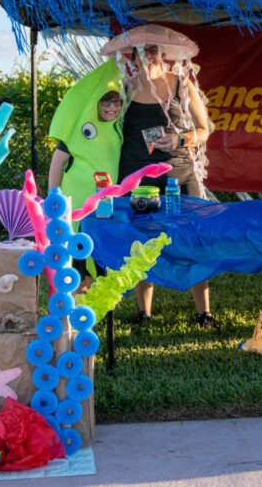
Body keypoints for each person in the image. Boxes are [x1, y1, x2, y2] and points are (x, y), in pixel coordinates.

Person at [102, 25, 216, 328]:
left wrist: (180, 139)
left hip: (179, 175)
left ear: (163, 55)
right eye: (140, 52)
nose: (147, 56)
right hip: (136, 179)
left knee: (193, 238)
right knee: (140, 241)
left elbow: (205, 130)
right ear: (131, 58)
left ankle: (204, 312)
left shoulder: (181, 84)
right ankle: (144, 312)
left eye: (152, 50)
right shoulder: (123, 89)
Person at [48, 60, 124, 293]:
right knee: (77, 253)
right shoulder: (78, 130)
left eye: (117, 101)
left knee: (101, 252)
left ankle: (97, 299)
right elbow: (58, 161)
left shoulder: (117, 130)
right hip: (77, 204)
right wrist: (53, 195)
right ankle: (74, 297)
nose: (112, 107)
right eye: (106, 101)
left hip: (104, 204)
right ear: (95, 103)